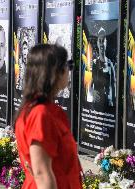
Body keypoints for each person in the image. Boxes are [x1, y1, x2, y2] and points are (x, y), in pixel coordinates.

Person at [14, 44, 82, 189]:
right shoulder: (41, 114)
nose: (69, 70)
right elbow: (41, 173)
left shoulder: (43, 110)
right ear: (55, 72)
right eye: (68, 65)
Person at [90, 27, 116, 107]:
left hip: (108, 105)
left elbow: (113, 86)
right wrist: (92, 92)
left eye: (103, 41)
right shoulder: (94, 63)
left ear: (106, 43)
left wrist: (113, 102)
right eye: (99, 41)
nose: (101, 44)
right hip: (96, 105)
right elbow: (90, 85)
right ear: (97, 43)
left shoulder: (110, 64)